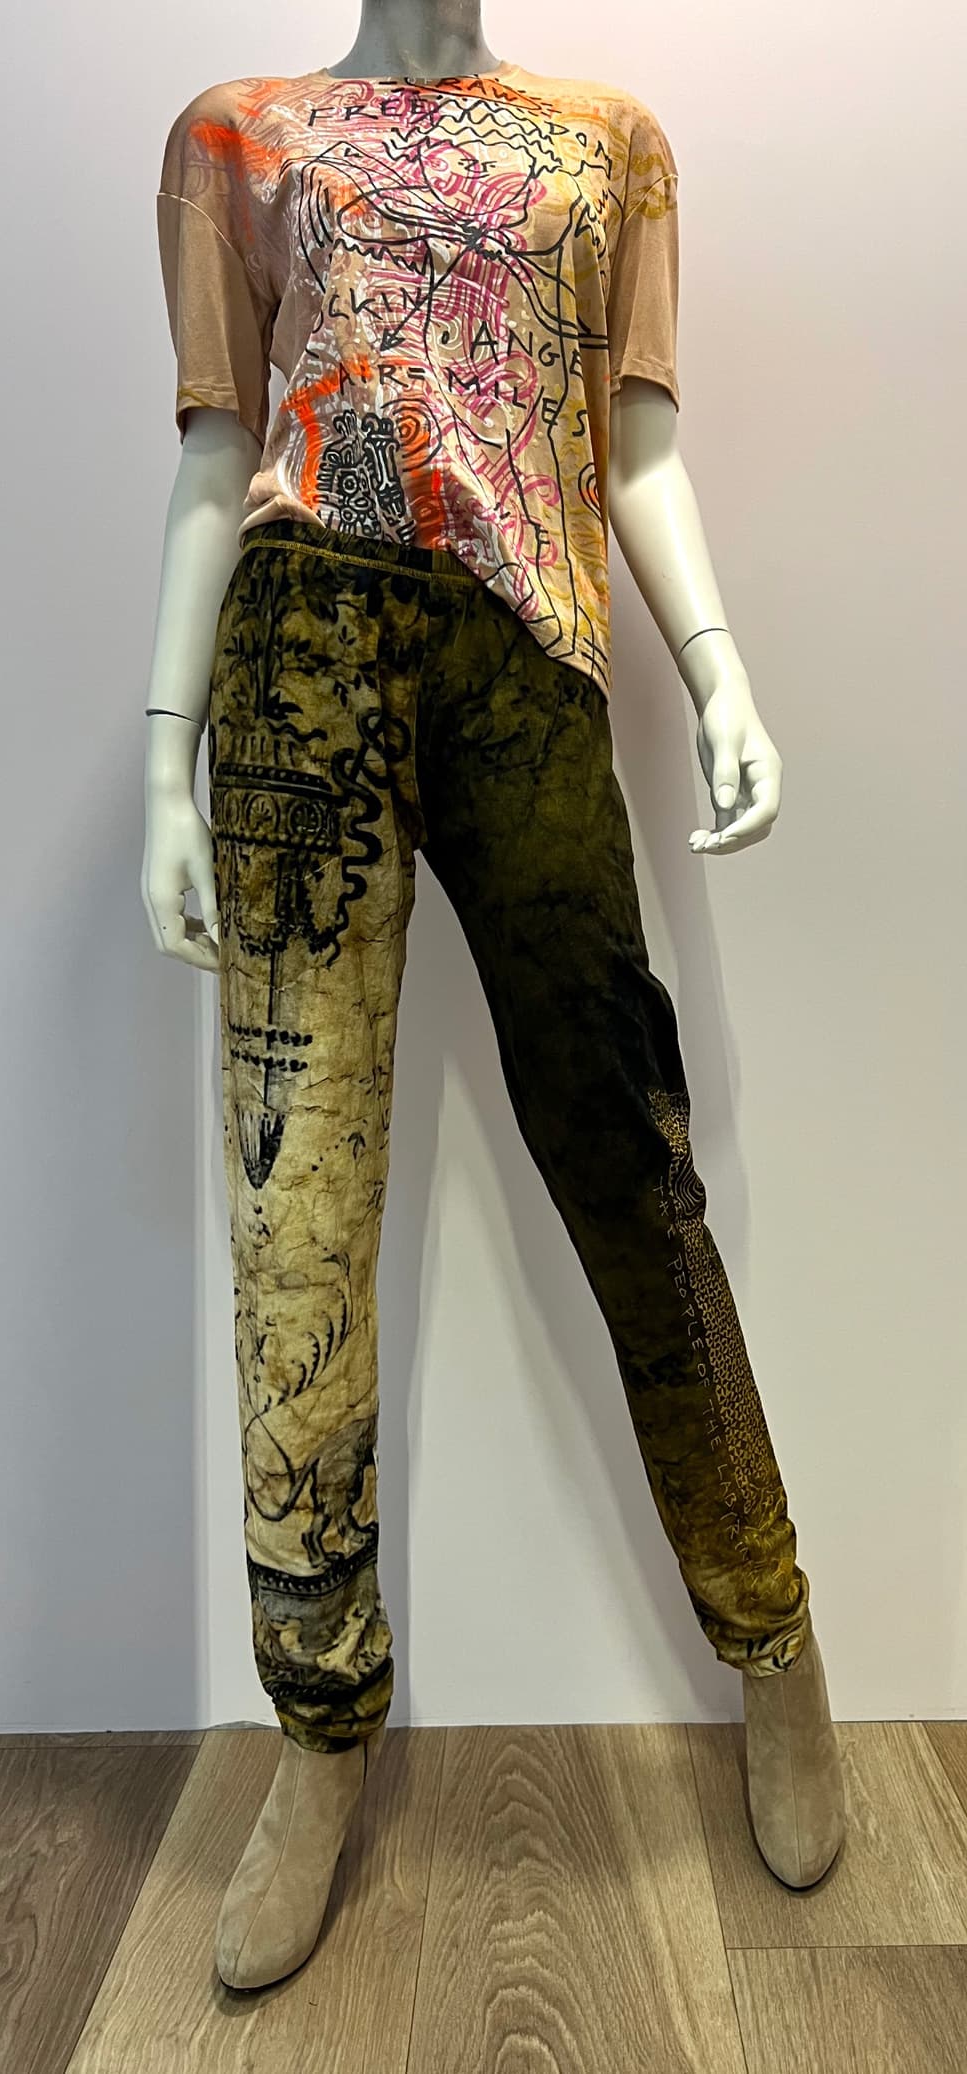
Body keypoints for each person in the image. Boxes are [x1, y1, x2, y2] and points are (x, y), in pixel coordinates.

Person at [142, 18, 845, 1994]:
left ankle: (772, 1638)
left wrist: (715, 669)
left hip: (530, 655)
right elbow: (213, 453)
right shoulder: (241, 134)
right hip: (297, 649)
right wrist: (158, 760)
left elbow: (636, 449)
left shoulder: (606, 142)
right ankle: (317, 1729)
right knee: (294, 1213)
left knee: (627, 1158)